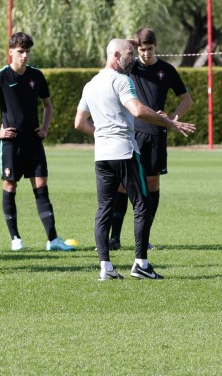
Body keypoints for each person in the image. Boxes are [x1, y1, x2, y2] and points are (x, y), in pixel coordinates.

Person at [75, 39, 196, 281]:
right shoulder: (122, 81)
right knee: (142, 204)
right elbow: (138, 110)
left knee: (103, 210)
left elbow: (79, 123)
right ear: (116, 55)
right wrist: (170, 122)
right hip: (125, 152)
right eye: (130, 54)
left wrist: (101, 133)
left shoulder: (91, 84)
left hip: (102, 156)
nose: (133, 58)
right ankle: (141, 263)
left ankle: (105, 268)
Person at [0, 32, 74, 252]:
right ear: (10, 52)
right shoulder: (1, 77)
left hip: (33, 142)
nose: (24, 56)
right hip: (11, 144)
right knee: (10, 185)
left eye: (27, 51)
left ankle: (53, 239)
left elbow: (48, 105)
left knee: (41, 187)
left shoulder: (36, 76)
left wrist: (45, 128)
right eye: (20, 51)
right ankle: (15, 238)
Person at [108, 28, 193, 251]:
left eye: (150, 49)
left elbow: (187, 100)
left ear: (156, 47)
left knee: (153, 184)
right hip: (131, 133)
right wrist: (131, 43)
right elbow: (116, 52)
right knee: (122, 185)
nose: (145, 54)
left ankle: (144, 236)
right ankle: (114, 238)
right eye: (141, 49)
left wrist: (172, 119)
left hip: (156, 134)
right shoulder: (130, 67)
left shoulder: (167, 70)